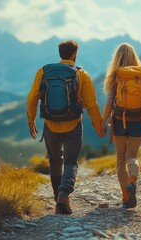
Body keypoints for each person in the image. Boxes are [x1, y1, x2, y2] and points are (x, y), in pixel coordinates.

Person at [27, 40, 104, 214]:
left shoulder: (44, 71)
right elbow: (92, 104)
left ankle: (57, 198)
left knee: (55, 160)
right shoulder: (81, 74)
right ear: (74, 54)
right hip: (73, 124)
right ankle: (64, 194)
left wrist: (31, 120)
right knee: (71, 162)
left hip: (50, 125)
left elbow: (32, 98)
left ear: (60, 53)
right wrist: (98, 125)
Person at [101, 43, 141, 209]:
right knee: (132, 156)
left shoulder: (116, 76)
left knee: (120, 160)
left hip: (119, 120)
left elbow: (110, 102)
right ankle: (133, 180)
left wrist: (102, 122)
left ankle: (126, 196)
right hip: (138, 120)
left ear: (117, 57)